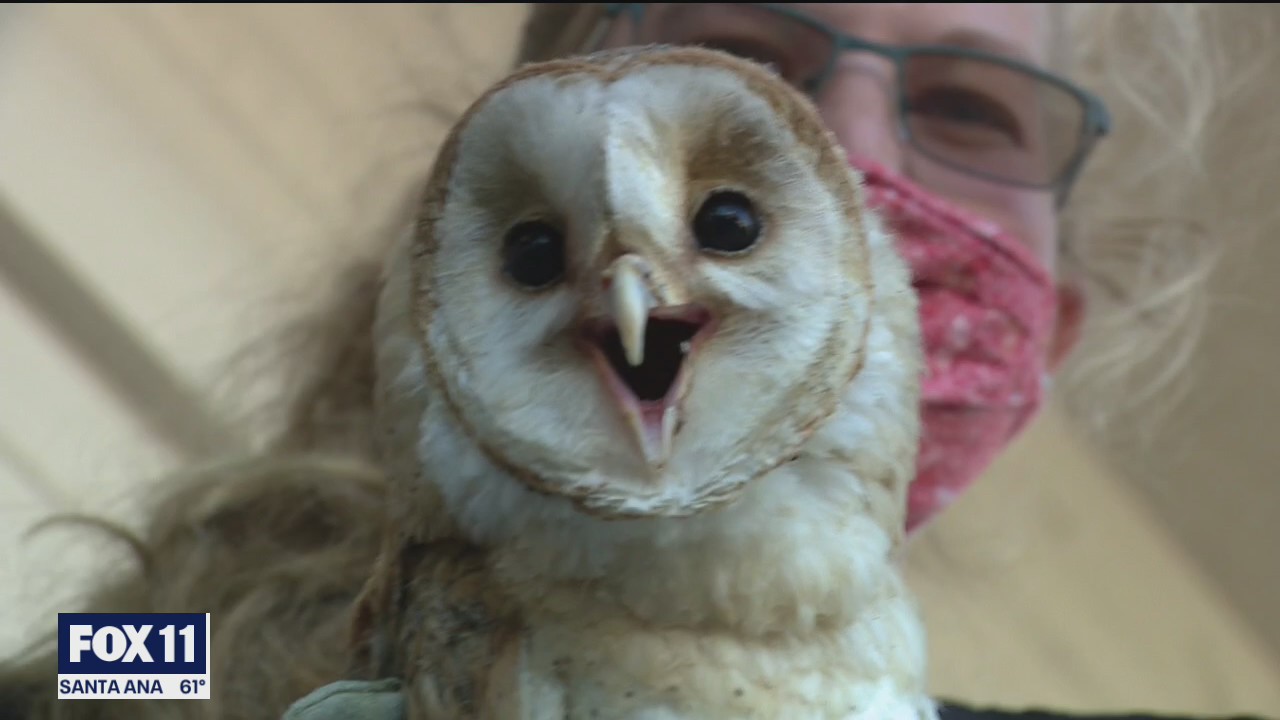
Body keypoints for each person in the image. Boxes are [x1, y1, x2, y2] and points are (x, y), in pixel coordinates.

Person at [0, 4, 1274, 720]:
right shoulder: (218, 630)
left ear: (1043, 332)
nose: (843, 150)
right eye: (746, 53)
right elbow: (117, 657)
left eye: (964, 109)